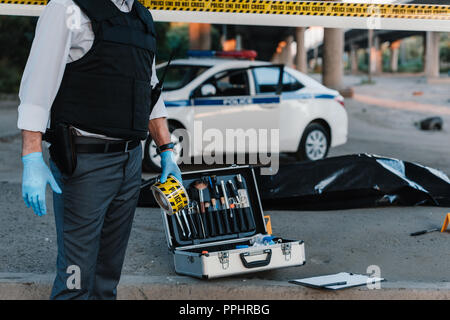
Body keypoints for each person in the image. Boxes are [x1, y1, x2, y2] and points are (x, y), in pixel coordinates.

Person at [18, 0, 181, 299]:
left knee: (107, 279)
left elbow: (150, 89)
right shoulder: (68, 7)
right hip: (85, 164)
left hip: (130, 162)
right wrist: (31, 155)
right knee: (75, 280)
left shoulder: (142, 17)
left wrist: (167, 150)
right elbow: (37, 86)